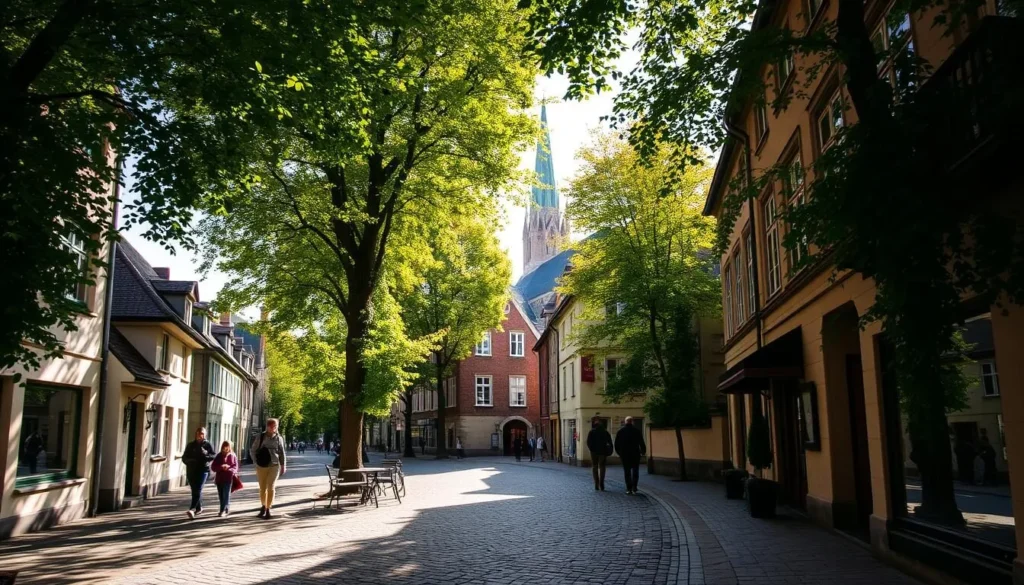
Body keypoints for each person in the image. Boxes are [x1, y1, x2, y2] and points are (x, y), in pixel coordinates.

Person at [250, 418, 287, 519]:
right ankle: (263, 505)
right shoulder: (261, 437)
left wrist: (283, 465)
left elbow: (282, 453)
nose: (272, 428)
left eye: (274, 426)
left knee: (271, 487)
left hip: (274, 465)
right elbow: (253, 450)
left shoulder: (279, 438)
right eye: (270, 426)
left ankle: (268, 509)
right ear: (267, 426)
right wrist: (255, 462)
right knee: (263, 488)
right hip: (261, 465)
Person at [182, 427, 216, 518]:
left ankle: (192, 509)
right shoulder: (190, 445)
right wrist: (189, 461)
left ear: (205, 435)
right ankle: (199, 508)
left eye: (202, 434)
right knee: (195, 490)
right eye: (198, 434)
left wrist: (206, 454)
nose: (200, 436)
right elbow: (184, 457)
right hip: (192, 471)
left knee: (198, 489)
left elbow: (213, 455)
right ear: (196, 434)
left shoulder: (207, 445)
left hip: (203, 470)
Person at [615, 417, 646, 494]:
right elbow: (641, 442)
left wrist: (619, 453)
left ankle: (629, 488)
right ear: (632, 422)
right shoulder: (637, 431)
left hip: (625, 454)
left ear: (625, 422)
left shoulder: (620, 431)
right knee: (635, 471)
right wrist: (643, 451)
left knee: (627, 471)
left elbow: (616, 444)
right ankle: (634, 487)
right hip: (635, 453)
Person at [211, 440, 239, 517]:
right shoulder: (219, 456)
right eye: (224, 448)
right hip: (219, 479)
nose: (226, 450)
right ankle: (226, 508)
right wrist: (221, 467)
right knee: (221, 495)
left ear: (230, 448)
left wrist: (229, 469)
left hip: (228, 478)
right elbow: (213, 467)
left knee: (226, 494)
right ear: (222, 448)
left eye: (227, 448)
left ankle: (222, 510)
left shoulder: (232, 456)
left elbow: (235, 467)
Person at [586, 419, 613, 491]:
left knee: (594, 467)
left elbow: (588, 442)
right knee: (602, 467)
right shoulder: (605, 432)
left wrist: (592, 449)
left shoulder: (591, 432)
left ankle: (596, 483)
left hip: (594, 452)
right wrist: (609, 451)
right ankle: (602, 483)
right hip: (603, 452)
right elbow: (610, 443)